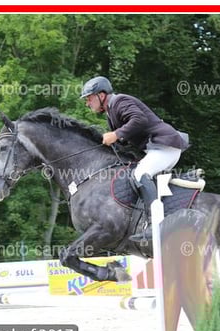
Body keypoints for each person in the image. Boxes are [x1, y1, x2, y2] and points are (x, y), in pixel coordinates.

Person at [80, 76, 188, 242]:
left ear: (101, 95)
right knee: (136, 174)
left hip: (165, 146)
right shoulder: (110, 112)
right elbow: (127, 137)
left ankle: (155, 224)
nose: (87, 103)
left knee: (139, 174)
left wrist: (116, 134)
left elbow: (139, 120)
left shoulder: (119, 101)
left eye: (89, 98)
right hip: (157, 149)